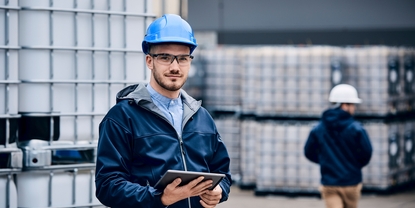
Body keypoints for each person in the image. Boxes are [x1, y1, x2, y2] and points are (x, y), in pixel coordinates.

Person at [95, 14, 232, 208]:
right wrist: (159, 198)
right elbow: (107, 186)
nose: (175, 67)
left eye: (182, 58)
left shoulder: (202, 117)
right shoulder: (122, 118)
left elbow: (223, 173)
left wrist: (220, 191)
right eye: (166, 58)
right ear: (150, 61)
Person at [304, 84, 373, 208]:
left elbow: (308, 151)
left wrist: (326, 161)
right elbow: (366, 153)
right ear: (345, 105)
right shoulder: (357, 129)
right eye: (353, 105)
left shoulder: (319, 128)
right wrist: (353, 165)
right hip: (352, 183)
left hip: (330, 182)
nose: (354, 108)